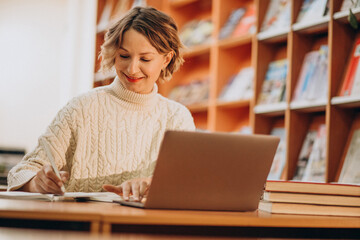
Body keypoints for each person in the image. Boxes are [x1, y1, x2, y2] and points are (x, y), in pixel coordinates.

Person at [7, 6, 195, 201]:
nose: (132, 69)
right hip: (81, 227)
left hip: (146, 227)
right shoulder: (81, 108)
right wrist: (36, 183)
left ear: (166, 59)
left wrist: (152, 184)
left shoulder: (178, 118)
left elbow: (190, 183)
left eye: (145, 59)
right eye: (124, 56)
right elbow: (21, 172)